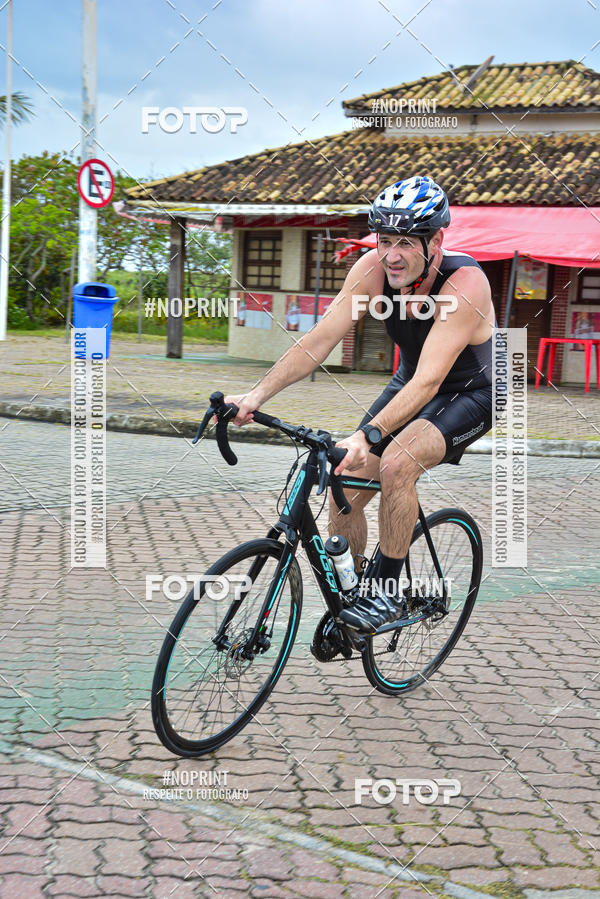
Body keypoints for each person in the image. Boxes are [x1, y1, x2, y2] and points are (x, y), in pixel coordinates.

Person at [225, 176, 495, 632]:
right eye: (385, 240)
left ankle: (386, 595)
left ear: (437, 242)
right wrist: (254, 396)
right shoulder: (371, 271)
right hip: (410, 381)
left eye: (406, 242)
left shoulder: (464, 285)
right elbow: (319, 341)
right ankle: (353, 596)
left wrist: (367, 435)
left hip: (474, 390)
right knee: (345, 478)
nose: (391, 255)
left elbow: (431, 381)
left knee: (396, 464)